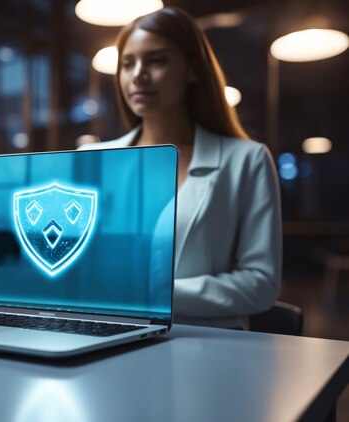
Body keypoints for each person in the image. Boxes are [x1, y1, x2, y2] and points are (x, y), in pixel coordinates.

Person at [80, 6, 282, 329]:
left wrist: (155, 293)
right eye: (128, 64)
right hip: (104, 333)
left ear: (192, 69)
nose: (138, 75)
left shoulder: (247, 160)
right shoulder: (94, 159)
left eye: (157, 60)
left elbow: (261, 285)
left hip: (209, 345)